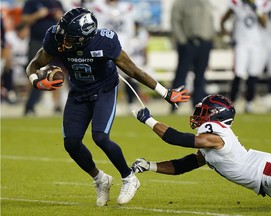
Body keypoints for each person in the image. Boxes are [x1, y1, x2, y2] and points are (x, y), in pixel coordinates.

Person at [25, 8, 190, 206]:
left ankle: (129, 177)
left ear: (85, 37)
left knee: (100, 137)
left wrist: (165, 93)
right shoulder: (55, 37)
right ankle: (100, 179)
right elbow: (33, 65)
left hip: (104, 90)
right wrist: (36, 81)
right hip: (78, 92)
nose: (64, 41)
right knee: (71, 143)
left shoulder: (104, 41)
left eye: (70, 38)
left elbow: (134, 71)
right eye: (63, 35)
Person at [131, 94, 271, 205]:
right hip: (264, 185)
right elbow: (184, 165)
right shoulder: (209, 143)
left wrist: (149, 120)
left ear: (217, 115)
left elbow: (177, 139)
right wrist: (149, 165)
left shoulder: (217, 136)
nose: (199, 115)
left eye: (205, 111)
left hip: (266, 170)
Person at [221, 0, 269, 113]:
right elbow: (225, 17)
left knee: (253, 74)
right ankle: (231, 102)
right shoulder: (237, 3)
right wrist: (224, 30)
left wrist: (255, 8)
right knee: (238, 74)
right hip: (241, 43)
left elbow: (264, 22)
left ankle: (249, 102)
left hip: (256, 44)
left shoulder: (260, 4)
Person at [170, 0, 215, 113]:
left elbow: (210, 20)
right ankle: (174, 104)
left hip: (204, 42)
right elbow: (175, 21)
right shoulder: (180, 3)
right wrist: (182, 41)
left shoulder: (206, 2)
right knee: (181, 75)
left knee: (200, 76)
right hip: (188, 42)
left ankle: (198, 106)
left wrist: (210, 38)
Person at [21, 0, 64, 115]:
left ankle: (57, 106)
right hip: (37, 42)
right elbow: (24, 19)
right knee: (35, 71)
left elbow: (66, 21)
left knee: (57, 72)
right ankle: (30, 105)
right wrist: (37, 15)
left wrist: (60, 17)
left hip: (55, 42)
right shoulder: (31, 2)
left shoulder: (56, 2)